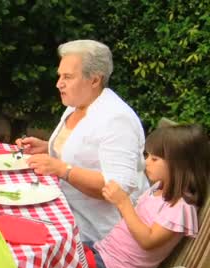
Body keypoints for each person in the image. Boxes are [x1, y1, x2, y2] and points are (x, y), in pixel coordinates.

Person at [17, 39, 147, 242]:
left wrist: (62, 169)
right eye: (60, 76)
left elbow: (118, 187)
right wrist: (45, 148)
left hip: (97, 232)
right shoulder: (77, 104)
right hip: (65, 208)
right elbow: (82, 150)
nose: (58, 83)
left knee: (18, 234)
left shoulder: (117, 119)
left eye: (68, 77)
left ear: (95, 80)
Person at [84, 125, 209, 268]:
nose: (146, 162)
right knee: (58, 249)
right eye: (147, 155)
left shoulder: (180, 207)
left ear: (180, 165)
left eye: (154, 159)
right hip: (104, 253)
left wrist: (123, 203)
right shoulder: (158, 188)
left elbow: (148, 240)